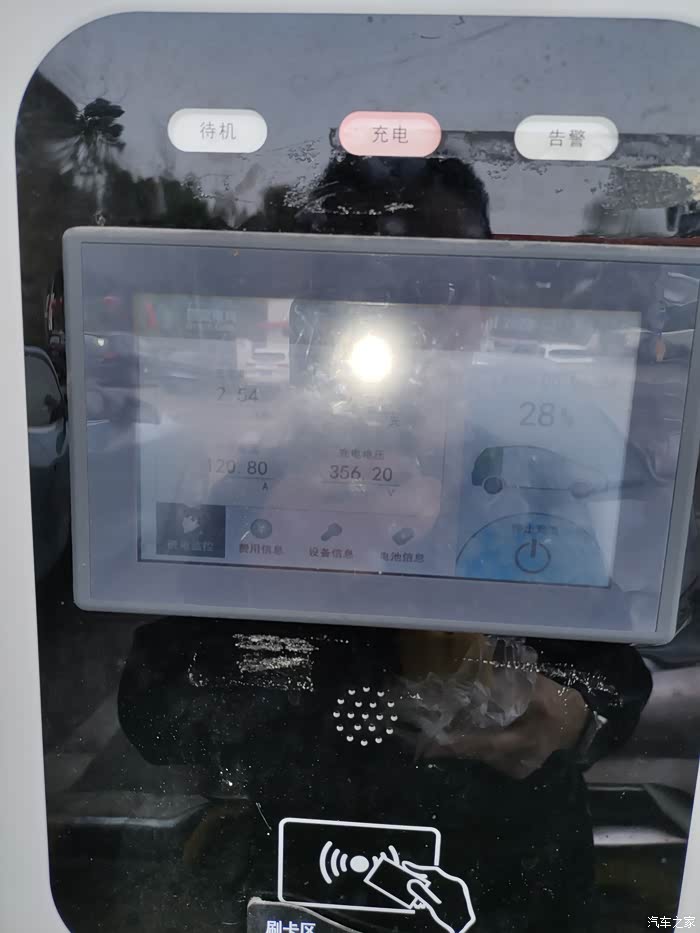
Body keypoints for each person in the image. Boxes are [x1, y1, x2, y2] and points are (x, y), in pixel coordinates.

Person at [119, 152, 653, 932]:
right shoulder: (251, 486)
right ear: (313, 311)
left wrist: (567, 717)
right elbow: (152, 712)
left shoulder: (541, 479)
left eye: (443, 285)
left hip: (513, 886)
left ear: (484, 307)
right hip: (297, 877)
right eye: (367, 282)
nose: (408, 317)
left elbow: (619, 684)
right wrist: (276, 583)